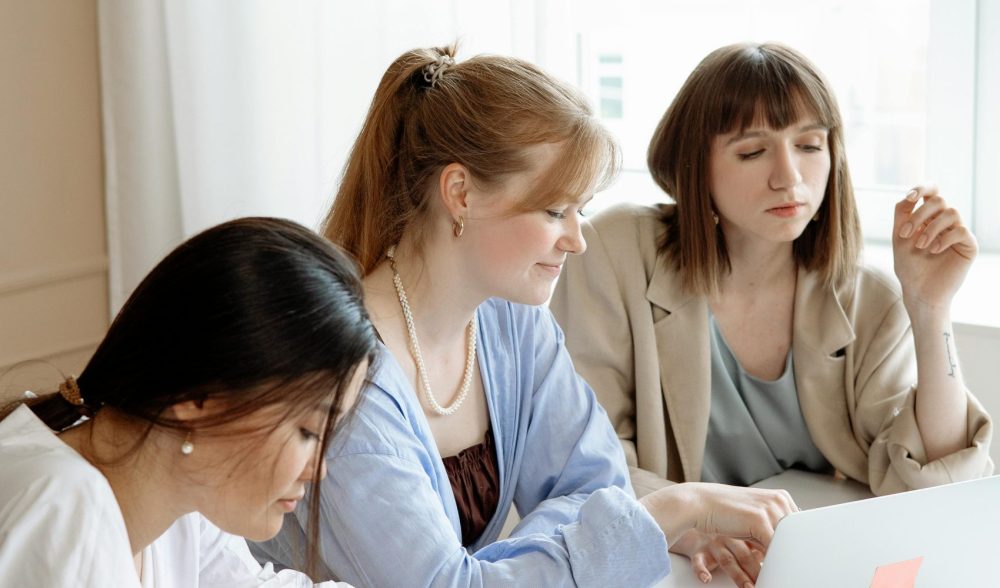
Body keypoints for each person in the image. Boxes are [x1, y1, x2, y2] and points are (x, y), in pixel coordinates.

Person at [255, 44, 797, 588]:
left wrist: (508, 571)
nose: (577, 239)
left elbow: (595, 485)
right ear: (460, 193)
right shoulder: (347, 378)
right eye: (554, 210)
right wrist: (666, 513)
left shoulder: (511, 321)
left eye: (580, 210)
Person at [550, 42, 994, 585]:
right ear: (697, 164)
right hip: (673, 567)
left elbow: (939, 492)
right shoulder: (615, 251)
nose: (789, 176)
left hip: (802, 565)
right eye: (752, 152)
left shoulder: (867, 296)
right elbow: (579, 457)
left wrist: (930, 309)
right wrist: (686, 520)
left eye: (809, 145)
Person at [0, 217, 377, 587]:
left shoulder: (174, 486)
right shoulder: (66, 516)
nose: (317, 469)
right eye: (308, 430)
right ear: (197, 397)